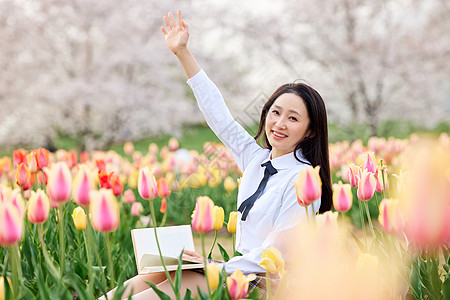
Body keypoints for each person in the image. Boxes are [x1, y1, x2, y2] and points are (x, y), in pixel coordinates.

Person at [104, 9, 332, 299]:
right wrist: (183, 52)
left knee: (153, 294)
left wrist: (215, 267)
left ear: (311, 130)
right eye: (276, 112)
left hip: (267, 283)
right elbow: (219, 117)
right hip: (236, 271)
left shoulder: (303, 180)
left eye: (293, 118)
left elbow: (273, 255)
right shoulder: (256, 159)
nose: (279, 123)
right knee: (140, 282)